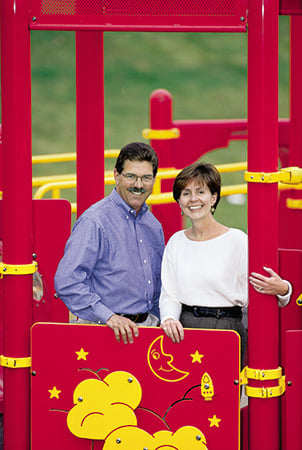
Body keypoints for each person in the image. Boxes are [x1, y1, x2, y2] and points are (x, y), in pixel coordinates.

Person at [159, 162, 291, 366]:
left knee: (223, 397)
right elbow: (170, 294)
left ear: (213, 198)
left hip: (226, 330)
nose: (193, 199)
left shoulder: (237, 240)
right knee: (184, 397)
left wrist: (284, 290)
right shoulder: (176, 242)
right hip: (184, 331)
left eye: (200, 191)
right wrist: (169, 318)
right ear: (179, 201)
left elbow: (261, 290)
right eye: (186, 193)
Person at [55, 142, 165, 344]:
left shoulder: (153, 226)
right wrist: (108, 317)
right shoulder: (94, 222)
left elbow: (158, 283)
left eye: (146, 178)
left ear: (153, 180)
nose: (139, 185)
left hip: (148, 333)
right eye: (131, 176)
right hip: (103, 333)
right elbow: (67, 281)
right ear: (116, 175)